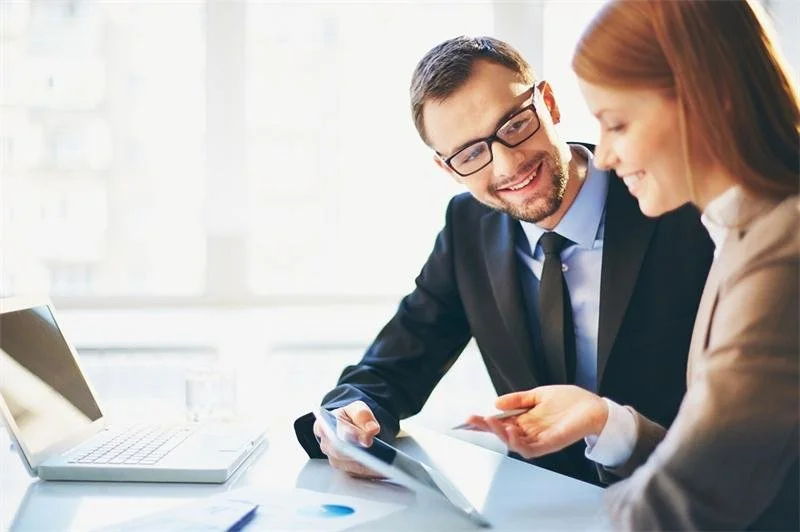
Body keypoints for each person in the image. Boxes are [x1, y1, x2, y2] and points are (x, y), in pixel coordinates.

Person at [293, 36, 714, 485]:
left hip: (689, 499)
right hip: (537, 511)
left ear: (548, 103)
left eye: (514, 125)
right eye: (471, 154)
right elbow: (394, 364)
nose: (507, 165)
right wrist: (349, 417)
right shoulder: (467, 227)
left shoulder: (678, 205)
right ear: (448, 169)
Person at [465, 1, 799, 529]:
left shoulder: (781, 252)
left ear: (712, 102)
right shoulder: (743, 234)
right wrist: (606, 422)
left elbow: (698, 496)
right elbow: (718, 457)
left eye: (616, 124)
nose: (603, 156)